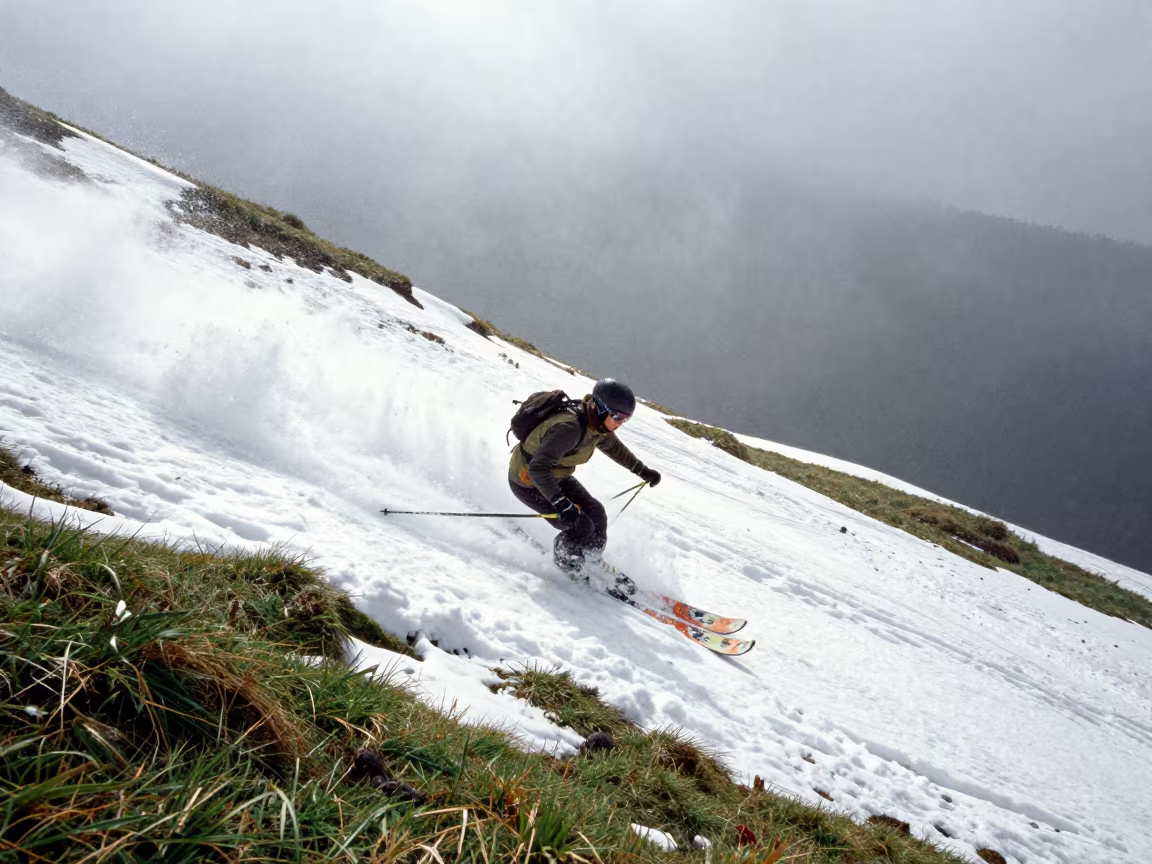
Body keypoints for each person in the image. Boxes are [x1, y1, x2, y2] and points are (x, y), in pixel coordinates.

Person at [508, 378, 662, 577]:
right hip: (528, 481)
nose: (620, 423)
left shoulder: (595, 425)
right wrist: (561, 503)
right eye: (617, 417)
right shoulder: (570, 428)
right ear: (600, 408)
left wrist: (642, 470)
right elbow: (538, 468)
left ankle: (591, 560)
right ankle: (567, 564)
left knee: (596, 513)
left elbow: (613, 447)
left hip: (555, 475)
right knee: (581, 526)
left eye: (626, 419)